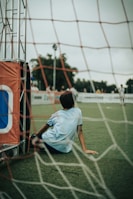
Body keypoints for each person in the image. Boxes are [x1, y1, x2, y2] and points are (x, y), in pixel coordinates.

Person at [32, 91, 98, 155]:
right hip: (63, 149)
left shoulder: (56, 114)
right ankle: (41, 145)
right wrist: (84, 149)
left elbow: (45, 127)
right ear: (73, 102)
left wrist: (36, 135)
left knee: (34, 136)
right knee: (41, 139)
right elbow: (80, 131)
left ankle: (37, 143)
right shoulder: (78, 111)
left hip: (49, 141)